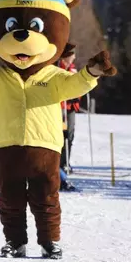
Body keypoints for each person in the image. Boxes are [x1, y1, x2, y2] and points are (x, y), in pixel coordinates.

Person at [56, 45, 80, 174]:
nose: (74, 57)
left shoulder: (73, 69)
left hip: (70, 107)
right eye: (72, 55)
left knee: (69, 135)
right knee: (60, 135)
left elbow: (79, 86)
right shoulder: (57, 69)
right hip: (60, 107)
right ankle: (57, 163)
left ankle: (65, 162)